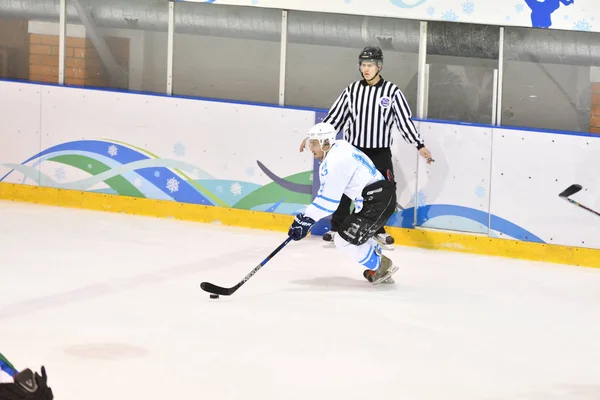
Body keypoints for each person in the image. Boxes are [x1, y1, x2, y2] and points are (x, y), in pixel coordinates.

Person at [301, 46, 433, 248]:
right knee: (344, 189)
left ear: (379, 66)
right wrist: (314, 137)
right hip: (353, 151)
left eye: (370, 65)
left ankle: (376, 229)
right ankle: (337, 227)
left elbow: (404, 121)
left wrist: (419, 145)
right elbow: (334, 118)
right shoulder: (352, 90)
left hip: (379, 152)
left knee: (383, 191)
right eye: (363, 65)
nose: (366, 69)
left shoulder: (392, 92)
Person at [289, 122, 399, 285]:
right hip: (377, 197)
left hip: (377, 201)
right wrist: (306, 219)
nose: (310, 148)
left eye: (313, 144)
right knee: (357, 236)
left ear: (325, 143)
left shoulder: (334, 161)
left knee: (343, 240)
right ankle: (379, 266)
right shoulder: (340, 146)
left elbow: (328, 202)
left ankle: (381, 265)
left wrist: (306, 220)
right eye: (309, 143)